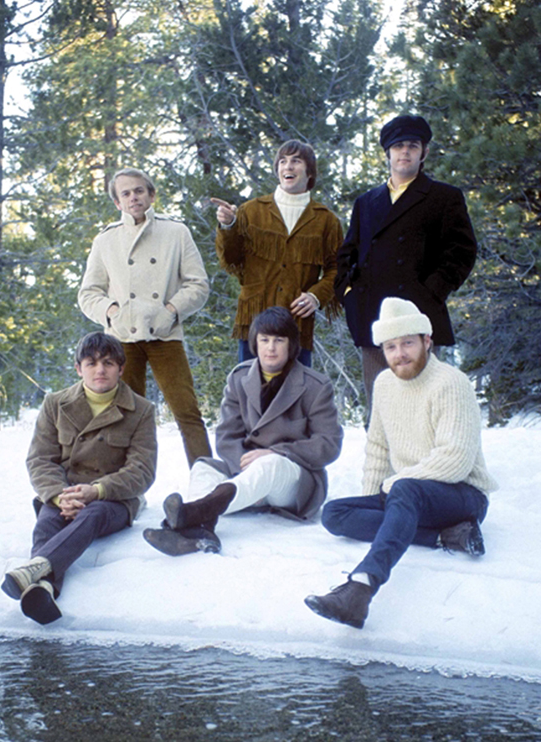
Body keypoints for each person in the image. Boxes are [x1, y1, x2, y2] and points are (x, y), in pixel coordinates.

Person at [304, 298, 497, 630]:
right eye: (390, 346)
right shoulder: (384, 384)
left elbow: (455, 460)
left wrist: (395, 487)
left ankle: (361, 587)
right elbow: (378, 448)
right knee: (335, 514)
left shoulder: (451, 383)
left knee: (405, 488)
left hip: (462, 494)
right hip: (409, 494)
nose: (399, 354)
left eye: (407, 343)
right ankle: (445, 536)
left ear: (427, 341)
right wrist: (374, 496)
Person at [143, 307, 343, 556]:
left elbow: (328, 444)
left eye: (279, 340)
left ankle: (193, 512)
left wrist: (276, 453)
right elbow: (227, 436)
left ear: (291, 345)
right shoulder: (239, 378)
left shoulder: (315, 385)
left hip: (292, 482)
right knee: (203, 467)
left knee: (269, 464)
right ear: (255, 343)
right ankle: (199, 531)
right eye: (264, 340)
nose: (271, 348)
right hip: (245, 474)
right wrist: (244, 473)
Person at [1, 332, 157, 625]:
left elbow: (142, 470)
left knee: (93, 514)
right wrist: (60, 496)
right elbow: (40, 459)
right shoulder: (55, 404)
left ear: (121, 368)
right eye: (91, 363)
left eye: (108, 363)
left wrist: (96, 491)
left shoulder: (141, 410)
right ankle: (44, 587)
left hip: (113, 499)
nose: (100, 370)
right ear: (78, 368)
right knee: (47, 522)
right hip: (65, 493)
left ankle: (36, 567)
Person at [335, 114, 478, 410]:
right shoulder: (366, 202)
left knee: (423, 405)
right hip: (373, 317)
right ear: (387, 153)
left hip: (419, 315)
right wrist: (349, 294)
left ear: (424, 152)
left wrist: (431, 292)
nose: (405, 152)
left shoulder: (444, 197)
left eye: (413, 146)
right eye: (398, 146)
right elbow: (347, 254)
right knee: (380, 406)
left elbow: (462, 251)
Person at [78, 167, 211, 466]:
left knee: (187, 411)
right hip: (121, 341)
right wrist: (113, 313)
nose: (133, 197)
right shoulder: (106, 240)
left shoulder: (176, 232)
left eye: (139, 191)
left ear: (151, 195)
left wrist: (171, 311)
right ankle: (122, 483)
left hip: (165, 335)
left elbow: (199, 285)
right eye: (125, 193)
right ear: (117, 202)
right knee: (123, 416)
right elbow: (88, 293)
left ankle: (208, 480)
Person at [211, 140, 343, 367]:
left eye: (296, 161)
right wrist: (228, 225)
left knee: (297, 388)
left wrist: (316, 296)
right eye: (283, 161)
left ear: (310, 172)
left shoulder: (326, 220)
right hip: (253, 323)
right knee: (250, 387)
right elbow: (231, 260)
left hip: (297, 324)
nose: (288, 166)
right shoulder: (250, 211)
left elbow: (338, 269)